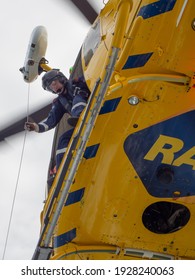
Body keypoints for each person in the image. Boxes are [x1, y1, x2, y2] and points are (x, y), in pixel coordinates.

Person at [25, 69, 90, 171]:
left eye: (54, 83)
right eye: (51, 87)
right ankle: (61, 169)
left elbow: (94, 79)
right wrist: (36, 127)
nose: (54, 87)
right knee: (63, 139)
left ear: (61, 78)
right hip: (81, 124)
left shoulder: (77, 82)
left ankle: (79, 116)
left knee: (78, 98)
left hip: (93, 111)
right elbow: (51, 121)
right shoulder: (59, 103)